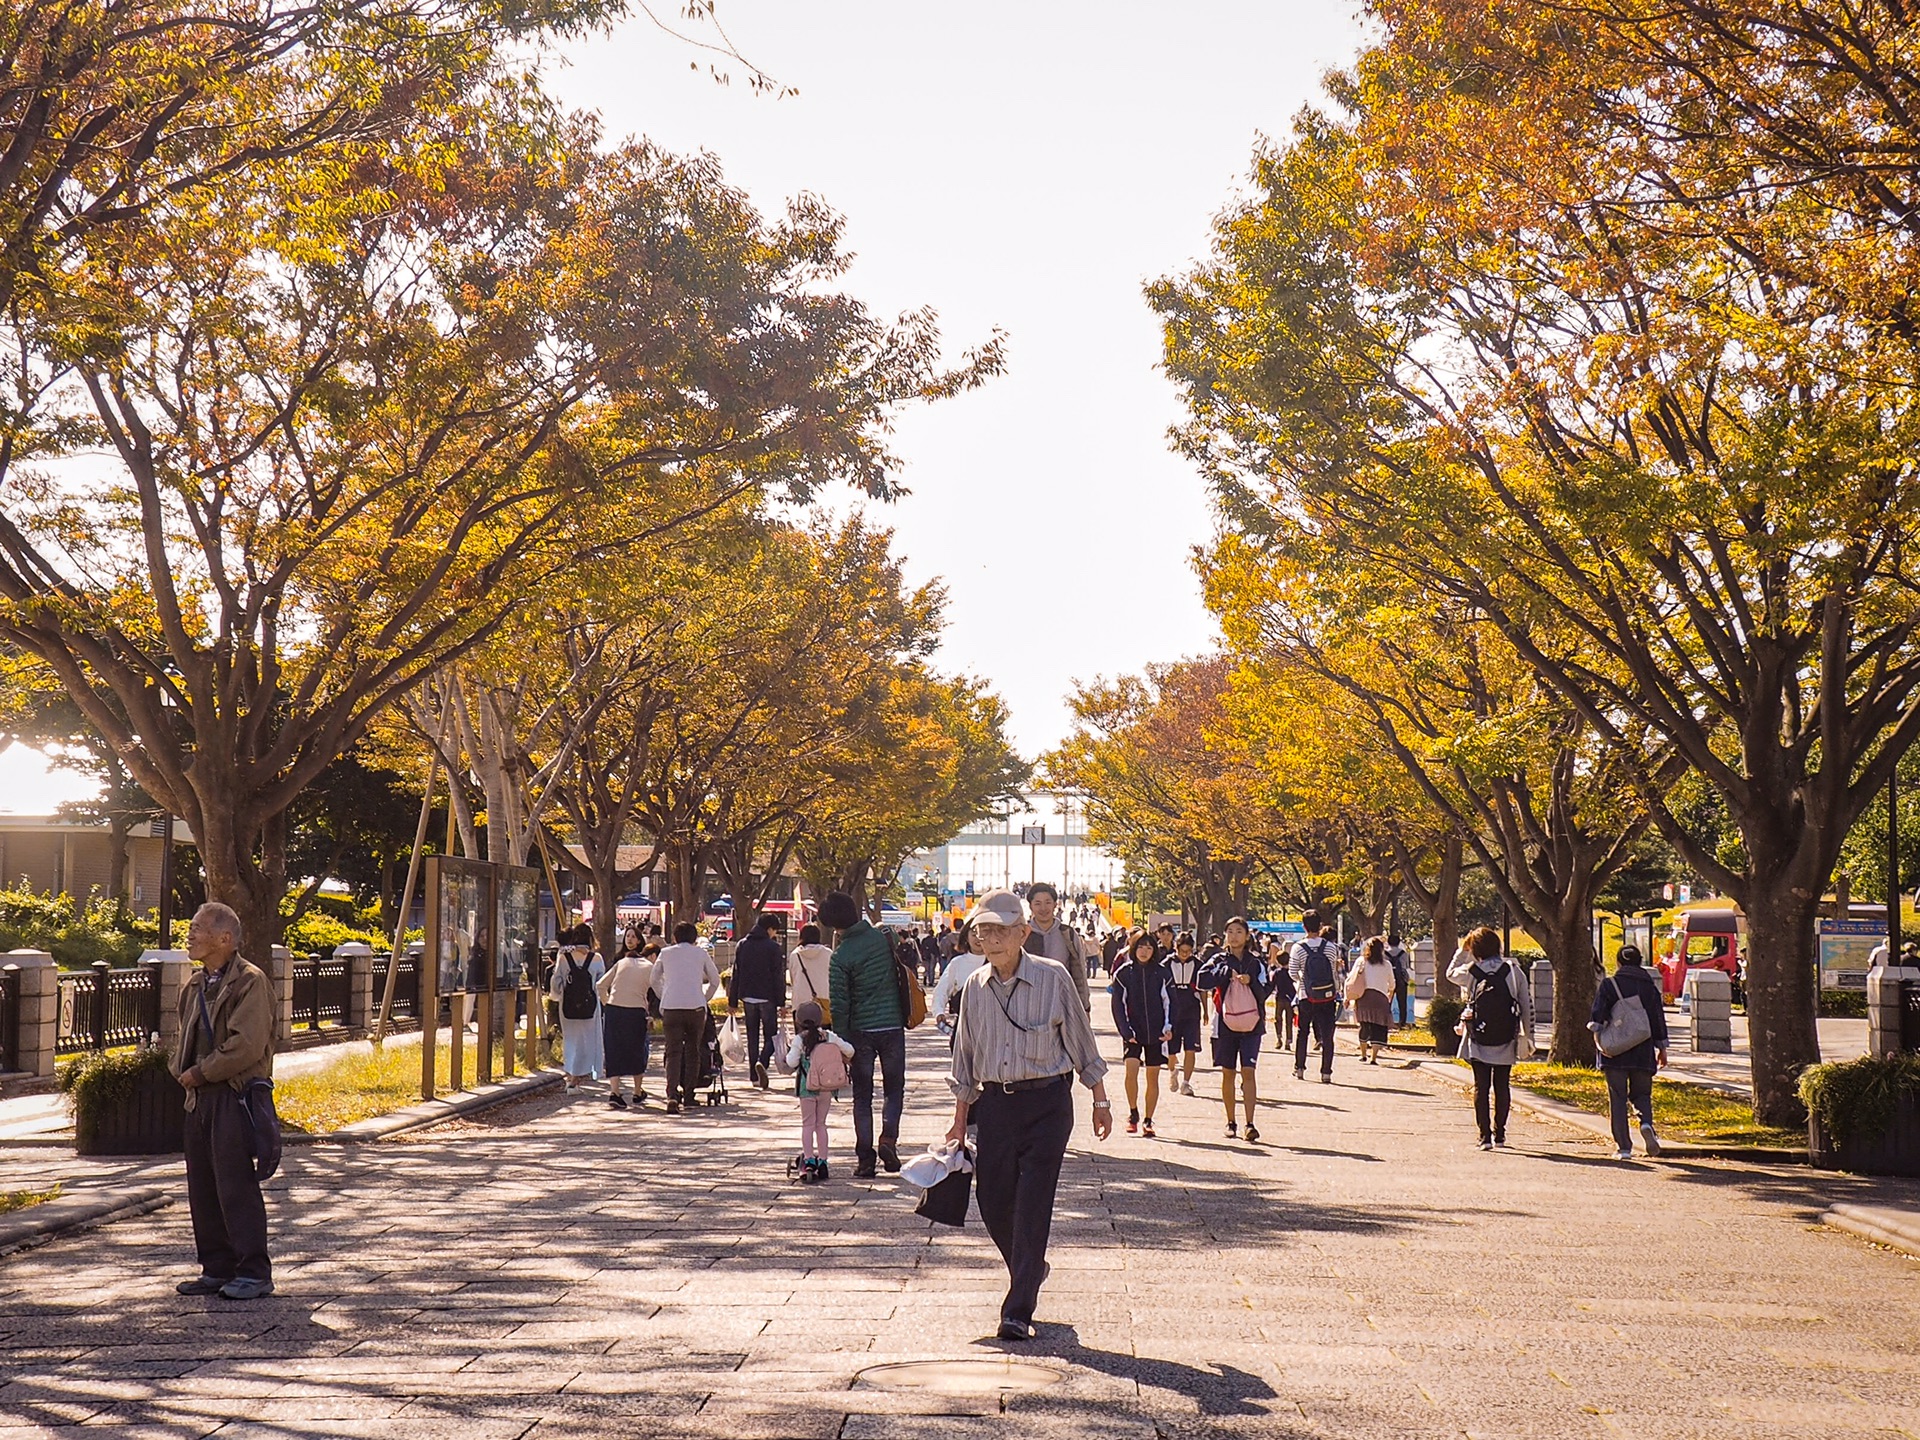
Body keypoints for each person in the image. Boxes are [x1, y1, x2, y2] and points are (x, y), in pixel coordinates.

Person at [944, 889, 1112, 1341]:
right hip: (996, 1104)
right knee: (993, 1200)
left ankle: (1018, 1308)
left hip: (1047, 1104)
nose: (991, 939)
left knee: (1034, 1202)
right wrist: (960, 1118)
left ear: (1021, 933)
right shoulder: (974, 989)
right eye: (983, 931)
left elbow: (1081, 1040)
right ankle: (1031, 1267)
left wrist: (1100, 1097)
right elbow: (965, 1056)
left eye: (1000, 930)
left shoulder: (1053, 978)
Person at [171, 902, 277, 1301]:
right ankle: (216, 1267)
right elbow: (181, 1037)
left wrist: (201, 1072)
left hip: (233, 1096)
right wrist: (180, 1071)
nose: (190, 933)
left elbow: (246, 1045)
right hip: (198, 1097)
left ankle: (253, 1271)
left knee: (235, 1185)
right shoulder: (196, 984)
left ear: (224, 939)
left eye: (198, 928)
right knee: (202, 1186)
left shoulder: (250, 981)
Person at [823, 890, 907, 1178]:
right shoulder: (883, 936)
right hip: (892, 1024)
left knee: (863, 1095)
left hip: (860, 1032)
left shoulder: (840, 957)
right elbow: (898, 944)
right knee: (894, 1088)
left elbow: (839, 1004)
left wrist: (841, 1043)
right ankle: (889, 1140)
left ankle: (865, 1159)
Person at [1448, 926, 1535, 1150]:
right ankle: (1501, 1134)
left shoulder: (1472, 970)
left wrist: (1463, 950)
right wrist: (1528, 1035)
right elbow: (1526, 1004)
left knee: (1481, 1086)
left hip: (1478, 1036)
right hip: (1506, 1036)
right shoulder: (1514, 971)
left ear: (1475, 949)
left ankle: (1484, 1136)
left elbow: (1450, 973)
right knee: (1502, 1086)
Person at [1589, 943, 1669, 1160]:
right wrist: (1662, 1048)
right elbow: (1657, 1019)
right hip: (1643, 1050)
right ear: (1639, 962)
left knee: (1618, 1096)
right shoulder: (1649, 988)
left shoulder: (1609, 984)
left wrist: (1597, 1039)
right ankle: (1646, 1124)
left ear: (1619, 962)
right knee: (1642, 1094)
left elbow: (1597, 1017)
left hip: (1615, 1052)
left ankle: (1624, 1147)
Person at [1202, 917, 1271, 1141]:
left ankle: (1250, 1123)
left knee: (1249, 1071)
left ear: (1247, 936)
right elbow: (1201, 980)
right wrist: (1223, 973)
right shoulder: (1218, 959)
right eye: (1230, 931)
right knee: (1228, 1072)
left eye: (1239, 931)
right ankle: (1230, 1121)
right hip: (1225, 1024)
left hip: (1252, 1024)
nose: (1234, 936)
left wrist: (1250, 981)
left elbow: (1267, 990)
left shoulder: (1256, 962)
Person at [653, 921, 721, 1114]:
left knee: (673, 1052)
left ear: (674, 937)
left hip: (671, 1008)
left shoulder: (665, 954)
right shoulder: (701, 953)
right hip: (695, 1008)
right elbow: (715, 980)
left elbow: (653, 978)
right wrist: (704, 998)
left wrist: (663, 994)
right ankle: (689, 1095)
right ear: (694, 938)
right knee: (693, 1051)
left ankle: (672, 1094)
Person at [1109, 932, 1172, 1135]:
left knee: (1152, 1076)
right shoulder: (1124, 973)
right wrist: (1126, 1031)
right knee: (1131, 1070)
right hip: (1133, 1032)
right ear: (1133, 949)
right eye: (1140, 947)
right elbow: (1118, 1004)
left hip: (1156, 1032)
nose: (1144, 952)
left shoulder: (1162, 973)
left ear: (1154, 950)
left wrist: (1169, 1028)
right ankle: (1133, 1112)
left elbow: (1170, 1002)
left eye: (1149, 948)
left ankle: (1148, 1120)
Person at [787, 1000, 856, 1183]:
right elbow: (850, 1050)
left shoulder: (799, 1040)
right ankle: (823, 1161)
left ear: (799, 1021)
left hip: (806, 1087)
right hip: (826, 1087)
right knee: (821, 1124)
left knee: (808, 1124)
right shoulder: (828, 1036)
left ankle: (809, 1160)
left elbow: (791, 1062)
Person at [728, 913, 788, 1090]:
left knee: (752, 1036)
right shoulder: (773, 947)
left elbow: (735, 973)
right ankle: (762, 1061)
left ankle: (754, 1076)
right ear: (769, 929)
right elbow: (778, 976)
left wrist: (732, 1001)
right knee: (771, 1035)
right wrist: (781, 1002)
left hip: (747, 996)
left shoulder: (742, 945)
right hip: (767, 997)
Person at [597, 926, 654, 1108]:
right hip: (636, 1012)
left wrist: (608, 1004)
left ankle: (615, 1092)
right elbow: (657, 990)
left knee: (614, 1050)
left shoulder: (620, 963)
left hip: (614, 1011)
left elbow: (599, 985)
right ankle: (637, 1092)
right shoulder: (649, 967)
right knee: (637, 1050)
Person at [1022, 882, 1093, 1011]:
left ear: (1055, 904)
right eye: (1037, 903)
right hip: (1028, 1005)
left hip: (1062, 1004)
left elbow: (1079, 972)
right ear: (1031, 906)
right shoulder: (1022, 934)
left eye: (1048, 902)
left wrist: (1084, 1007)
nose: (1043, 908)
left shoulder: (1068, 934)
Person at [549, 927, 604, 1092]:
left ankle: (571, 1077)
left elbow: (555, 982)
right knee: (588, 1041)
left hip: (568, 1006)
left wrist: (558, 995)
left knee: (571, 1040)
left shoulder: (564, 958)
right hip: (591, 1007)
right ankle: (576, 1079)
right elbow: (601, 983)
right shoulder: (597, 959)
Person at [1290, 911, 1342, 1084]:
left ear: (1303, 926)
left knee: (1303, 1032)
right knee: (1328, 1035)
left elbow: (1292, 972)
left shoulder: (1298, 948)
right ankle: (1326, 1072)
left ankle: (1299, 1068)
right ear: (1320, 925)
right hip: (1328, 996)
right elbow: (1334, 971)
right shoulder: (1330, 947)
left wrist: (1304, 981)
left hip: (1306, 996)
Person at [1165, 930, 1205, 1096]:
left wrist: (1205, 1009)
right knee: (1171, 1050)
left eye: (1188, 952)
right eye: (1182, 951)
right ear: (1176, 948)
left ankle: (1186, 1082)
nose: (1185, 955)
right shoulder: (1166, 964)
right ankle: (1173, 1071)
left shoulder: (1197, 964)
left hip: (1191, 1010)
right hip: (1173, 1010)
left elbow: (1202, 988)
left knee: (1191, 1048)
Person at [1347, 935, 1396, 1065]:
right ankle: (1374, 1057)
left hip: (1363, 997)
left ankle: (1363, 1054)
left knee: (1364, 1026)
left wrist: (1347, 997)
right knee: (1379, 1028)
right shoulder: (1387, 964)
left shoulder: (1361, 961)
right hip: (1380, 999)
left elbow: (1351, 979)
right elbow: (1392, 984)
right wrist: (1390, 993)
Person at [932, 920, 984, 1041]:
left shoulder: (999, 963)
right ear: (966, 936)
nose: (978, 938)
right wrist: (939, 1012)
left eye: (983, 933)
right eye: (974, 933)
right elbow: (942, 990)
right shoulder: (958, 963)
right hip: (964, 1030)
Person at [789, 923, 833, 1023]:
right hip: (823, 1000)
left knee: (801, 1036)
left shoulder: (795, 955)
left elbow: (793, 979)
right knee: (824, 1036)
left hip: (800, 1001)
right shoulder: (828, 953)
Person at [1384, 932, 1413, 1027]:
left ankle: (1386, 1022)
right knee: (1402, 1002)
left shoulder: (1384, 953)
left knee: (1387, 1002)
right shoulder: (1403, 953)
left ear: (1388, 942)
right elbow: (1406, 966)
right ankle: (1402, 1022)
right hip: (1401, 979)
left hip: (1388, 980)